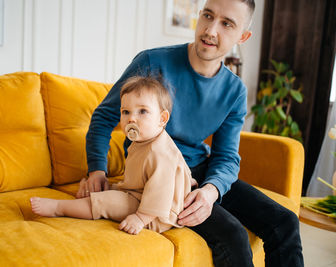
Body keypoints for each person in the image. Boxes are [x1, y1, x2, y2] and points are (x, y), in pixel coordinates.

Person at [79, 0, 304, 266]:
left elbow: (227, 157)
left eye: (227, 24)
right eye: (208, 16)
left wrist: (210, 191)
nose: (211, 30)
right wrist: (97, 169)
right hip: (160, 174)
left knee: (285, 222)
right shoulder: (152, 62)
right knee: (232, 234)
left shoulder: (234, 91)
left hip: (201, 170)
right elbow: (105, 116)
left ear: (243, 36)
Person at [31, 76, 197, 235]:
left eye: (142, 111)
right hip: (140, 193)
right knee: (111, 189)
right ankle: (93, 193)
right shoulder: (144, 139)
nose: (131, 118)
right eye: (126, 112)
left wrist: (140, 218)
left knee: (106, 202)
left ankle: (58, 208)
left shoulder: (160, 152)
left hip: (158, 215)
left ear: (162, 118)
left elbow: (160, 194)